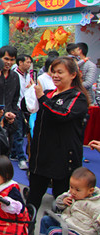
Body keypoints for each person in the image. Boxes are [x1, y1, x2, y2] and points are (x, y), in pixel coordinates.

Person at [27, 57, 90, 210]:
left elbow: (62, 115)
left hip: (63, 158)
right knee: (31, 202)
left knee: (63, 202)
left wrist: (41, 97)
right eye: (53, 72)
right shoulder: (48, 93)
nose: (55, 75)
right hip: (41, 157)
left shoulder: (77, 97)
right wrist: (30, 94)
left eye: (60, 72)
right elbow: (30, 108)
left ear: (73, 75)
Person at [40, 167, 100, 235]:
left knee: (53, 231)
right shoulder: (72, 194)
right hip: (66, 222)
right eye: (71, 187)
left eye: (77, 190)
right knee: (46, 220)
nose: (73, 192)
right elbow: (58, 203)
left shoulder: (95, 205)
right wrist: (63, 200)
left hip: (80, 231)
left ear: (90, 191)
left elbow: (97, 223)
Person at [0, 46, 20, 159]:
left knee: (6, 154)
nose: (9, 62)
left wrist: (13, 113)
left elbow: (15, 99)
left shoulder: (15, 76)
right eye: (6, 59)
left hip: (10, 121)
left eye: (12, 60)